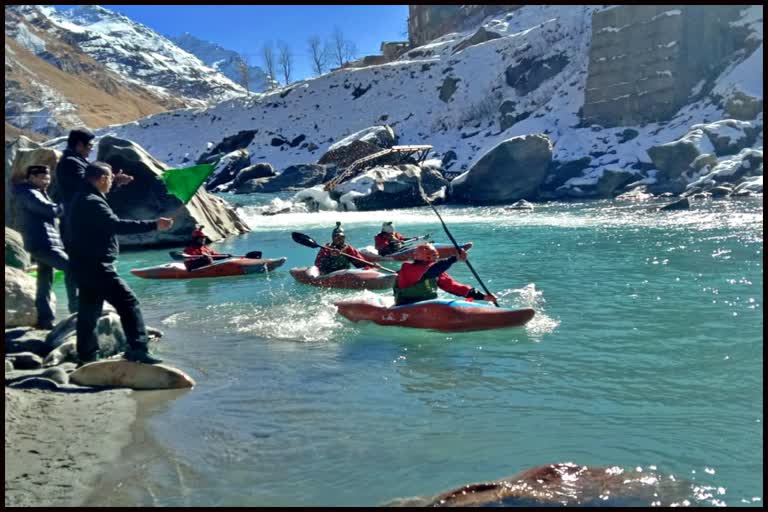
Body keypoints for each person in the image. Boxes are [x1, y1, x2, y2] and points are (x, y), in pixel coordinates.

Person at [66, 161, 173, 365]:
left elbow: (101, 207)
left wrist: (116, 185)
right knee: (128, 302)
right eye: (110, 178)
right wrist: (154, 225)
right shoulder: (92, 202)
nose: (111, 181)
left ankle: (87, 357)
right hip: (97, 265)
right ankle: (138, 349)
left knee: (89, 311)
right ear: (102, 178)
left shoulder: (83, 196)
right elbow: (114, 225)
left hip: (82, 265)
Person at [54, 128, 133, 309]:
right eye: (89, 145)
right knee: (78, 264)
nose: (91, 149)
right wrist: (113, 179)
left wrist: (113, 182)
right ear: (79, 144)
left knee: (83, 263)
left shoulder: (76, 162)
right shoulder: (70, 163)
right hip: (78, 221)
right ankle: (77, 305)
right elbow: (88, 186)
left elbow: (91, 186)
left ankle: (86, 303)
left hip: (81, 221)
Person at [14, 165, 77, 328]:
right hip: (42, 244)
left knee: (44, 280)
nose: (46, 180)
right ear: (32, 178)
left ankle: (45, 319)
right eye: (42, 177)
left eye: (48, 177)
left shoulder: (36, 192)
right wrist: (65, 206)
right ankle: (76, 308)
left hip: (43, 243)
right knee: (72, 267)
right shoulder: (28, 193)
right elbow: (49, 210)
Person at [393, 243, 496, 306]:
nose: (432, 260)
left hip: (427, 304)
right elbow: (429, 273)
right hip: (405, 303)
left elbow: (454, 287)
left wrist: (483, 296)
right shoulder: (407, 267)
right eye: (429, 257)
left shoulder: (437, 271)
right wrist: (454, 259)